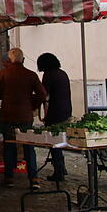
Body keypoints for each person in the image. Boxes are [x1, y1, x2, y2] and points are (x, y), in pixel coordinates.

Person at [0, 47, 47, 189]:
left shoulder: (2, 74)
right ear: (23, 59)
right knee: (29, 146)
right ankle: (34, 178)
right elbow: (42, 93)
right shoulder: (31, 75)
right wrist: (32, 104)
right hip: (25, 116)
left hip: (8, 115)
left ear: (10, 59)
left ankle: (9, 177)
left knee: (9, 146)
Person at [37, 52, 72, 182]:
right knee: (59, 140)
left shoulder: (49, 74)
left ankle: (59, 170)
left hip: (55, 112)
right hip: (66, 110)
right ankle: (62, 168)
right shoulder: (62, 73)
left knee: (54, 141)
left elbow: (43, 93)